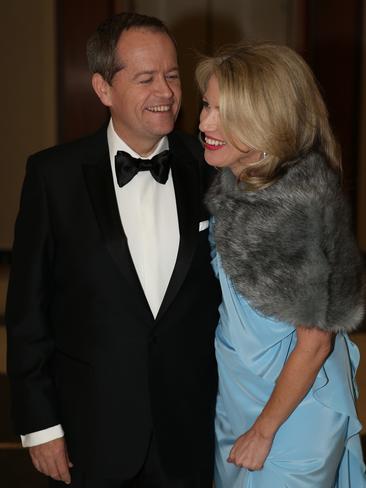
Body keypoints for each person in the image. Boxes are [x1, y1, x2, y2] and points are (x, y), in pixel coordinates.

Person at [6, 12, 221, 487]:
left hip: (192, 433)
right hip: (91, 435)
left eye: (171, 75)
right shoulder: (53, 177)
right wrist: (40, 426)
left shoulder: (211, 167)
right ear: (103, 89)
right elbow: (27, 316)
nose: (165, 92)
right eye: (146, 78)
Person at [196, 41, 366, 487]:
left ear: (263, 119)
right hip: (240, 399)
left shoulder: (297, 209)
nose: (204, 122)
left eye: (223, 112)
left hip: (291, 417)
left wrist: (263, 431)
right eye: (207, 105)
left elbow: (315, 344)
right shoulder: (238, 184)